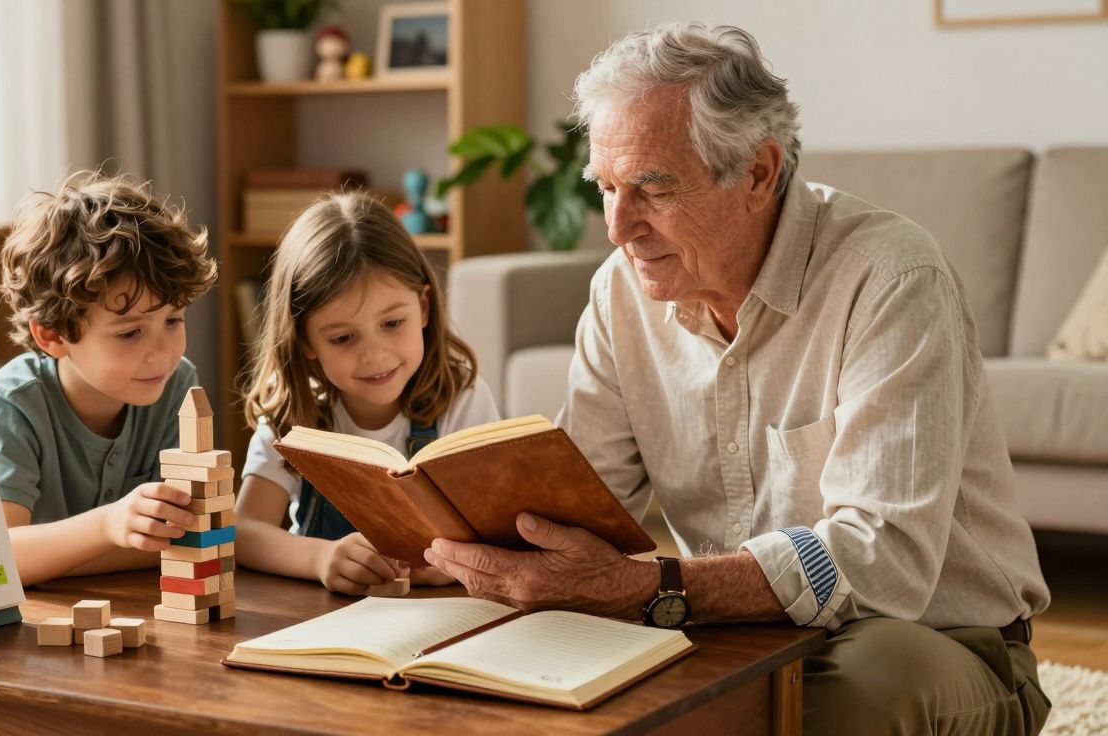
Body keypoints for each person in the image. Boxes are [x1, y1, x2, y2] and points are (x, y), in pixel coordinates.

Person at [423, 23, 1051, 735]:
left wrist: (647, 588)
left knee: (834, 700)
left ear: (757, 173)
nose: (618, 227)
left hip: (939, 641)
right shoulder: (619, 294)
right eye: (605, 187)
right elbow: (580, 509)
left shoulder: (891, 277)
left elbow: (887, 563)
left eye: (651, 189)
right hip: (737, 630)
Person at [236, 191, 498, 595]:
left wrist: (453, 565)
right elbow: (244, 531)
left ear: (423, 307)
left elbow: (496, 530)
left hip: (441, 616)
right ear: (305, 340)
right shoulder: (291, 414)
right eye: (342, 338)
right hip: (319, 620)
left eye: (392, 323)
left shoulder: (462, 398)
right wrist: (320, 558)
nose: (374, 355)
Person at [0, 171, 218, 586]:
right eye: (130, 332)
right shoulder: (8, 407)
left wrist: (50, 558)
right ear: (52, 335)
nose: (162, 353)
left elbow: (190, 539)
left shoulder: (178, 386)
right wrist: (108, 527)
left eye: (173, 320)